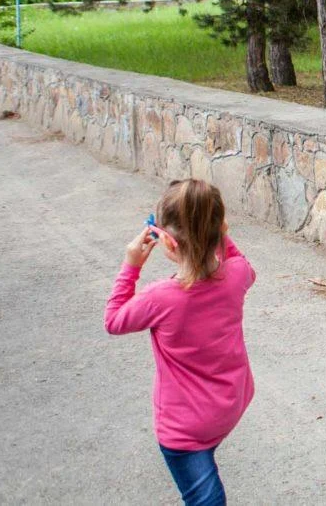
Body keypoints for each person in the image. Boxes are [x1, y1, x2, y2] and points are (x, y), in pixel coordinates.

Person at [105, 179, 255, 506]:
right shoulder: (238, 275)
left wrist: (131, 265)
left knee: (206, 499)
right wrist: (219, 233)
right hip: (230, 405)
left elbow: (113, 321)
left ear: (168, 242)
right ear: (221, 229)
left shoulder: (161, 298)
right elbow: (238, 260)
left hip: (185, 431)